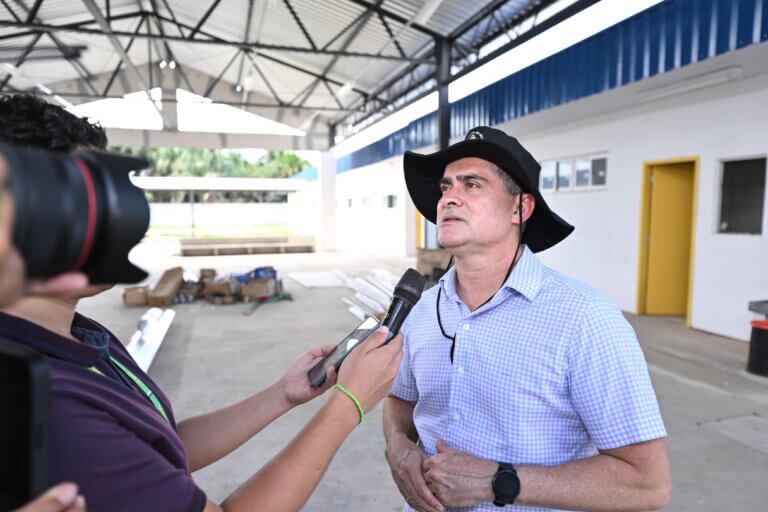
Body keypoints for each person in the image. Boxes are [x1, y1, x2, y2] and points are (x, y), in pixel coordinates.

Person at [0, 94, 404, 512]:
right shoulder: (50, 406)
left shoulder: (79, 335)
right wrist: (348, 404)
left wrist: (281, 396)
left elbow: (159, 450)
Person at [383, 126, 670, 512]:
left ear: (522, 207)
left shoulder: (585, 317)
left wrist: (501, 481)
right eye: (446, 187)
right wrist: (400, 452)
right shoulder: (422, 310)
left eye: (471, 185)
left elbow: (646, 484)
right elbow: (399, 405)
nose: (449, 197)